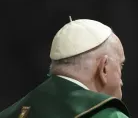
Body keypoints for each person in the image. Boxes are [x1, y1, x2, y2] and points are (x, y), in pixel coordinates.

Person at [0, 19, 130, 118]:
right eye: (121, 66)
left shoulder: (10, 113)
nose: (121, 82)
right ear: (104, 68)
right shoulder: (108, 115)